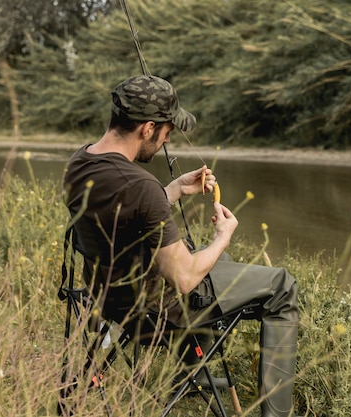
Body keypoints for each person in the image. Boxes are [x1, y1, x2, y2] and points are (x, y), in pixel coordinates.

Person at [63, 74, 299, 417]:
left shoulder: (81, 161)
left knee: (223, 261)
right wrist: (223, 235)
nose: (168, 137)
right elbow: (186, 279)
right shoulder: (140, 186)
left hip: (105, 298)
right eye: (166, 130)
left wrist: (171, 190)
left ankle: (190, 375)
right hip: (152, 312)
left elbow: (121, 216)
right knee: (282, 286)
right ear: (147, 128)